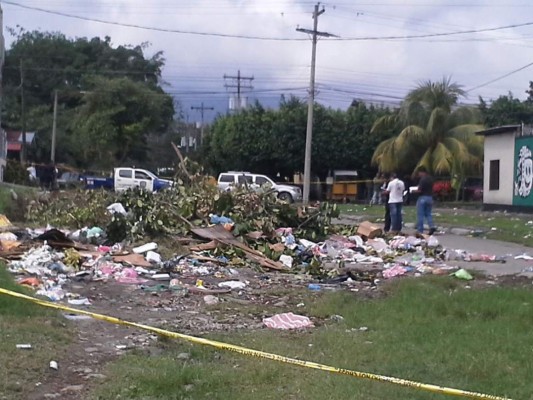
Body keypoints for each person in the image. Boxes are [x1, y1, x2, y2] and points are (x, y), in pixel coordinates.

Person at [416, 166, 436, 235]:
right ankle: (431, 226)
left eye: (419, 173)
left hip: (422, 198)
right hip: (430, 198)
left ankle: (420, 230)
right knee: (428, 214)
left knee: (420, 214)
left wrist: (414, 191)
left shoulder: (423, 179)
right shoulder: (431, 179)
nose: (419, 175)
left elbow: (420, 190)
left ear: (422, 172)